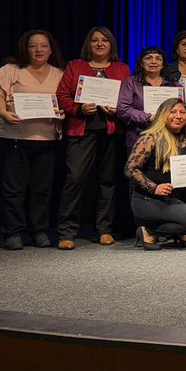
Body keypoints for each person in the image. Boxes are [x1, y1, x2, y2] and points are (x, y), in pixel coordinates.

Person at [55, 26, 132, 250]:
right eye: (95, 40)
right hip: (81, 131)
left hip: (111, 132)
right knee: (75, 179)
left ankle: (105, 229)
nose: (99, 44)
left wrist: (115, 109)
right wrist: (79, 110)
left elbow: (128, 98)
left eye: (104, 41)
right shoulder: (75, 66)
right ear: (88, 45)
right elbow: (62, 96)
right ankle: (66, 231)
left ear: (111, 45)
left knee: (107, 181)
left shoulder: (121, 68)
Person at [0, 29, 65, 250]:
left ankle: (39, 230)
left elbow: (64, 103)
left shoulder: (59, 74)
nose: (39, 49)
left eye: (43, 45)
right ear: (26, 48)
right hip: (15, 138)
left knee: (42, 190)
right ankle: (13, 232)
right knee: (14, 189)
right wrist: (3, 112)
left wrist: (64, 113)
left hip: (46, 139)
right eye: (33, 45)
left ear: (51, 50)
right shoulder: (11, 70)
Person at [125, 98, 186, 250]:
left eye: (182, 112)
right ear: (163, 115)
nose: (178, 116)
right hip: (150, 199)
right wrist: (153, 187)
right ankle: (147, 230)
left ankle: (181, 229)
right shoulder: (150, 138)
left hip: (176, 198)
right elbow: (130, 169)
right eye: (173, 112)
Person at [117, 46, 179, 153]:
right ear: (141, 63)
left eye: (158, 58)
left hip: (168, 138)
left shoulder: (174, 86)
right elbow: (123, 110)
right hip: (138, 137)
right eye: (148, 58)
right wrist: (149, 118)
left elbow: (185, 111)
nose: (153, 61)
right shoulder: (131, 82)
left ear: (163, 65)